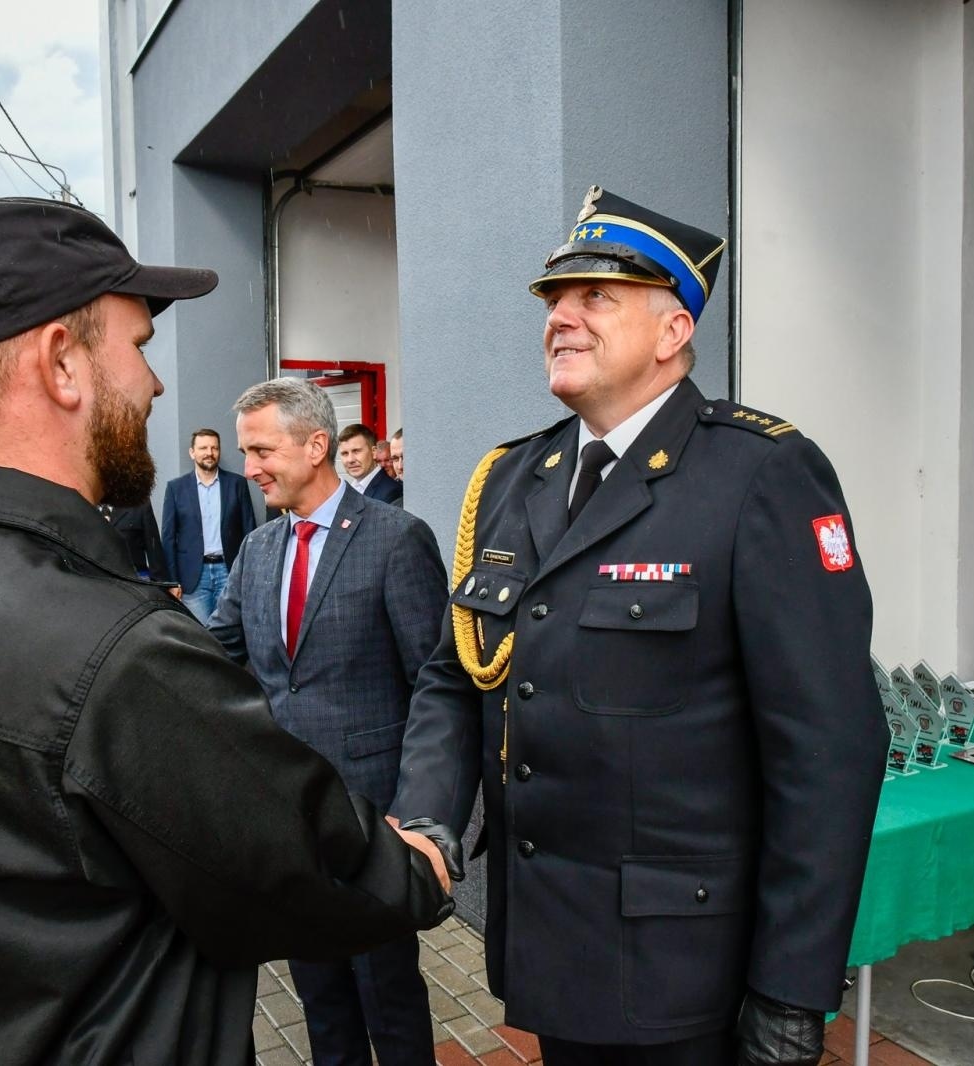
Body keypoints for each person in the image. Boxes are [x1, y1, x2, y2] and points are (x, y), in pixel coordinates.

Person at [0, 196, 451, 1065]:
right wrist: (422, 866)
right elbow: (299, 872)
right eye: (137, 347)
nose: (155, 383)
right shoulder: (115, 653)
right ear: (62, 362)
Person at [391, 186, 888, 1066]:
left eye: (595, 298)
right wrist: (428, 817)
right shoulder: (514, 477)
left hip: (685, 968)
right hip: (549, 946)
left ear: (672, 334)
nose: (561, 319)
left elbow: (830, 750)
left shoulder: (761, 475)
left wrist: (792, 986)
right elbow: (451, 671)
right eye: (555, 301)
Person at [209, 378, 448, 1066]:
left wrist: (419, 813)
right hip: (292, 825)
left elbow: (433, 685)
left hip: (375, 823)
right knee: (321, 999)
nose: (248, 467)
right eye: (244, 451)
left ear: (317, 446)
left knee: (387, 995)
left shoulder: (396, 540)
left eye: (260, 450)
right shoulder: (257, 551)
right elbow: (212, 656)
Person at [161, 428, 256, 622]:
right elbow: (168, 538)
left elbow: (250, 530)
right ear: (192, 452)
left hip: (230, 571)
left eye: (214, 448)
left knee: (231, 630)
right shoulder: (176, 488)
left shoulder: (237, 484)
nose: (209, 453)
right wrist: (172, 580)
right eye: (203, 448)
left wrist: (249, 573)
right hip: (193, 576)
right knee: (200, 636)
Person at [100, 500, 172, 583]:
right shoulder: (84, 505)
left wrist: (161, 587)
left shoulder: (138, 504)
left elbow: (154, 553)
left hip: (133, 583)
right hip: (93, 585)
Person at [338, 422, 402, 506]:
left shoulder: (391, 492)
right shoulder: (348, 489)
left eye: (356, 451)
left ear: (374, 452)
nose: (350, 460)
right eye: (345, 453)